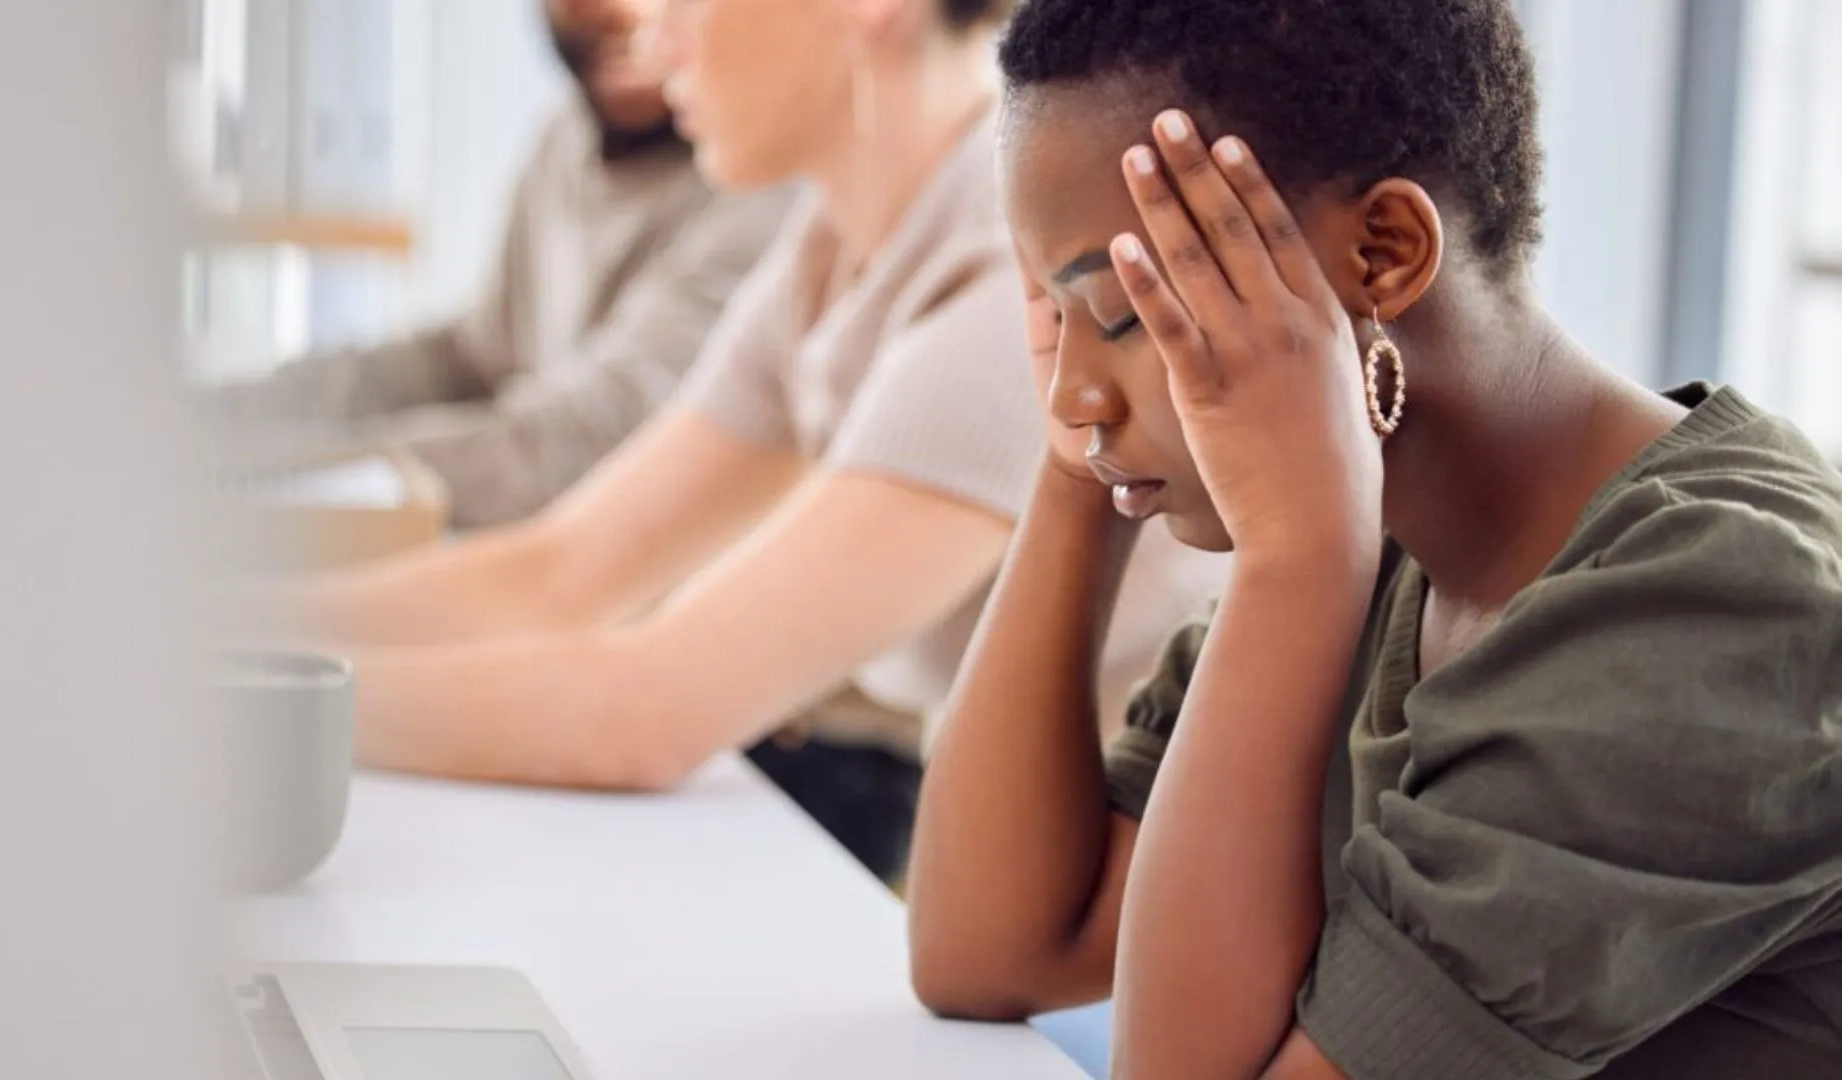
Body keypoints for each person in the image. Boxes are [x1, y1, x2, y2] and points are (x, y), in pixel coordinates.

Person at [906, 1, 1842, 1076]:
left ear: (1385, 253)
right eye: (1053, 316)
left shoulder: (1719, 611)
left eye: (1123, 314)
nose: (1071, 388)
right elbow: (991, 947)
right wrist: (1085, 460)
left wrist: (1297, 563)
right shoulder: (1386, 529)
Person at [246, 0, 1225, 884]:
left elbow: (649, 710)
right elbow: (561, 567)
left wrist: (225, 702)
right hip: (1048, 870)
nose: (650, 31)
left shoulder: (1014, 259)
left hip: (1163, 910)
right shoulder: (832, 242)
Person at [216, 0, 792, 528]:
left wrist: (269, 476)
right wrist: (233, 415)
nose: (626, 24)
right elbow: (476, 354)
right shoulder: (566, 138)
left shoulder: (766, 192)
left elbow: (579, 448)